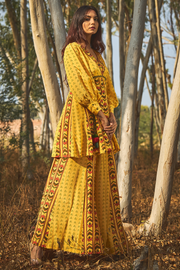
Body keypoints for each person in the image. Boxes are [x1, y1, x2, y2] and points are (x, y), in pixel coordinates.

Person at [30, 5, 129, 264]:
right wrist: (100, 112)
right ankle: (39, 244)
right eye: (87, 19)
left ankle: (94, 246)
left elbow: (108, 89)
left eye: (96, 19)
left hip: (102, 123)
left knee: (97, 182)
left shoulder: (97, 54)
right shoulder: (73, 49)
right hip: (80, 122)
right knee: (66, 181)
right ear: (78, 22)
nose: (92, 22)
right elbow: (79, 86)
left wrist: (112, 117)